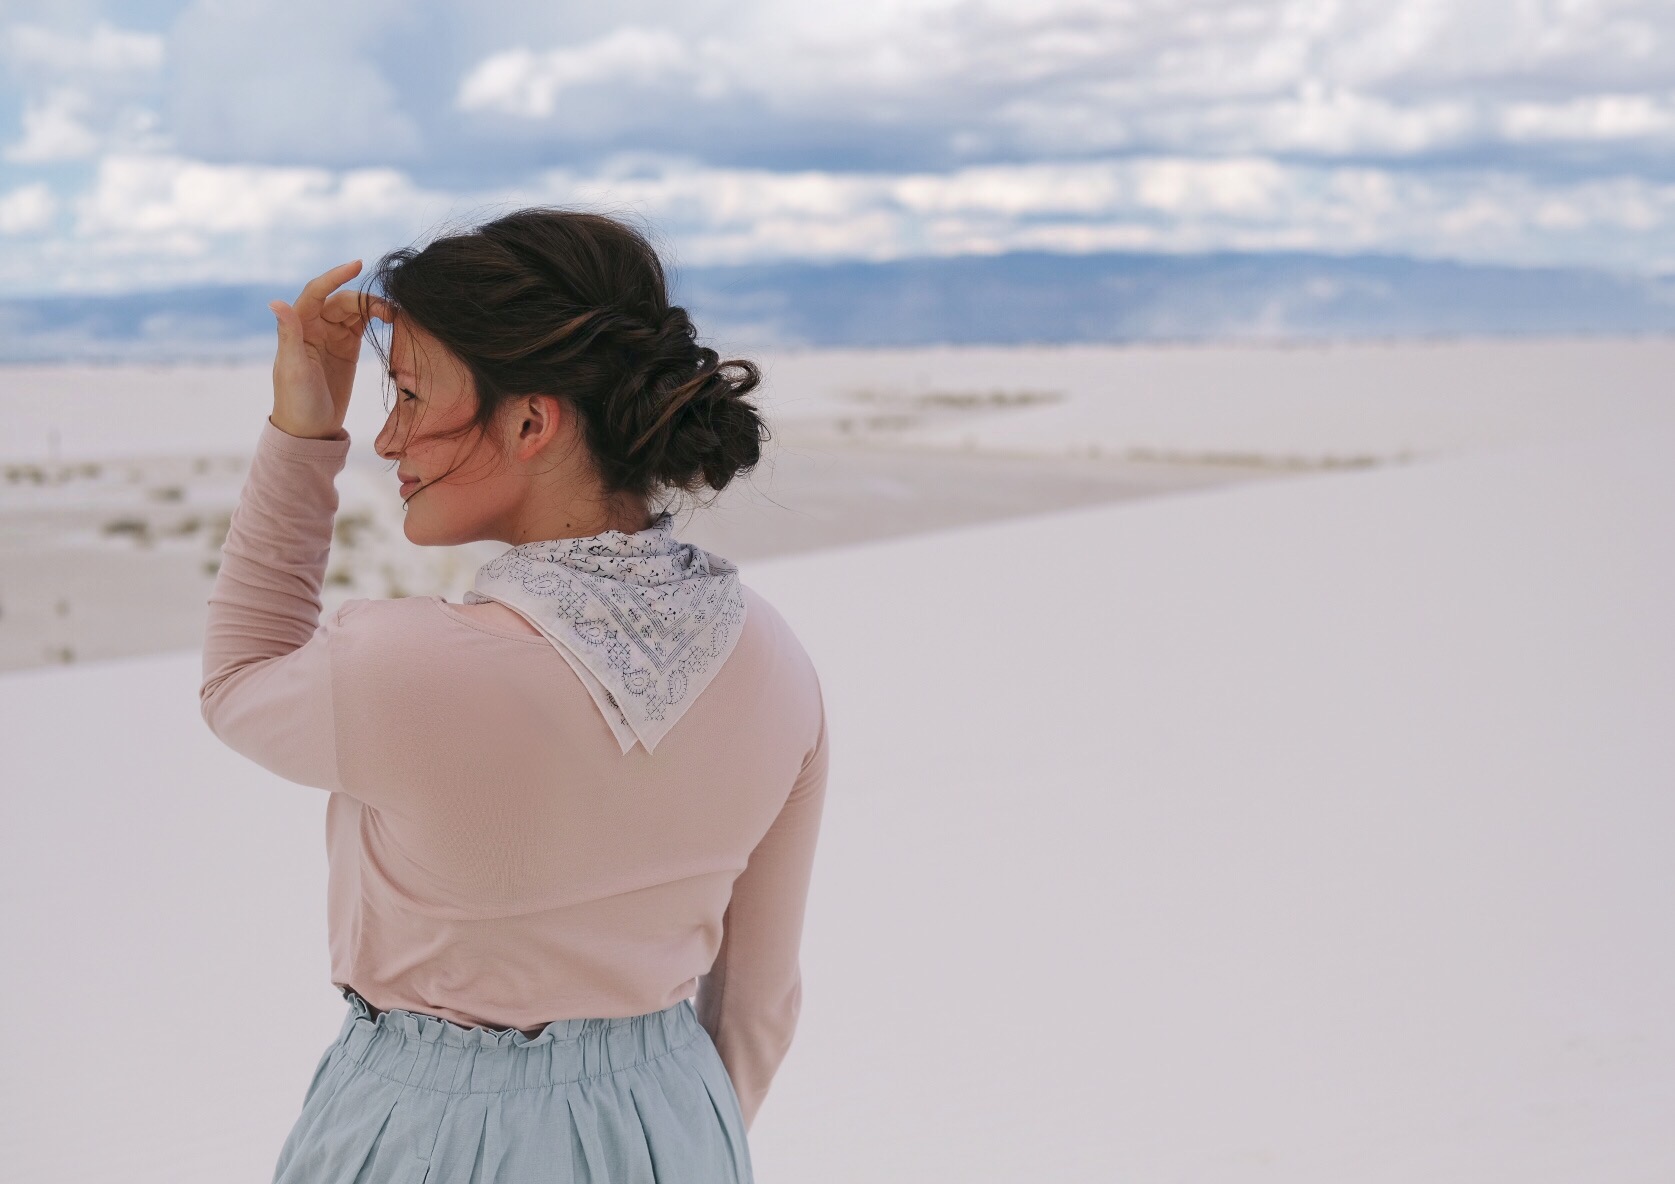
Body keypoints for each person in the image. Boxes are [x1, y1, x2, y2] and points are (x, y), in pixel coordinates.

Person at [198, 209, 830, 1184]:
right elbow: (756, 1005)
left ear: (533, 420)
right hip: (675, 1121)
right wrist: (671, 1133)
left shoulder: (403, 666)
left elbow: (237, 677)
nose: (386, 435)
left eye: (409, 394)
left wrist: (302, 425)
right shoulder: (774, 660)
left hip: (426, 1127)